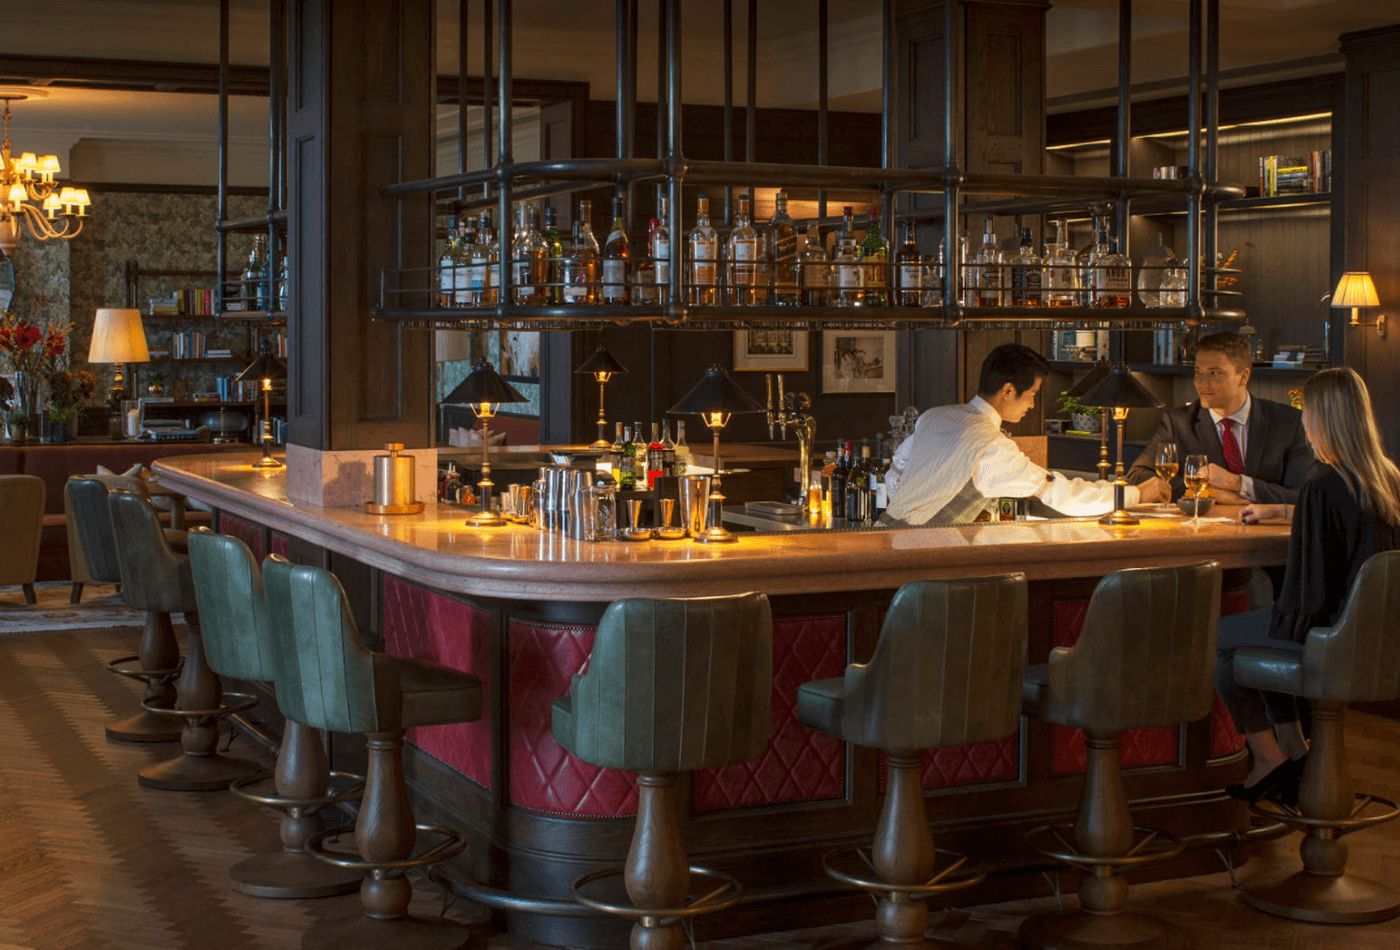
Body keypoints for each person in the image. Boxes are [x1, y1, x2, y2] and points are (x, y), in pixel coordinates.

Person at [1217, 367, 1400, 802]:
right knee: (1257, 636)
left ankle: (1269, 757)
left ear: (1324, 418)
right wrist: (1282, 514)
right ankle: (1296, 753)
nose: (1302, 422)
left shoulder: (1322, 486)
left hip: (1328, 638)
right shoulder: (1388, 479)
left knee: (1219, 639)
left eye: (1307, 412)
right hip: (1378, 642)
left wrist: (1286, 625)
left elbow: (1307, 594)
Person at [883, 344, 1167, 526]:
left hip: (882, 534)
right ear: (1008, 390)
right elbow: (1061, 495)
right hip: (925, 560)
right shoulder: (992, 447)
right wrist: (1136, 493)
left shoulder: (935, 416)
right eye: (1031, 395)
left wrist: (913, 511)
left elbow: (894, 476)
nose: (1032, 405)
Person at [1128, 332, 1314, 504]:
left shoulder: (1289, 423)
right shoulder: (1178, 423)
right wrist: (1207, 492)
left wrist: (1239, 484)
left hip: (1269, 536)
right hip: (1204, 535)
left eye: (1214, 373)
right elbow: (1138, 475)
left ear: (1243, 377)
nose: (1201, 384)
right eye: (1198, 372)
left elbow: (1303, 495)